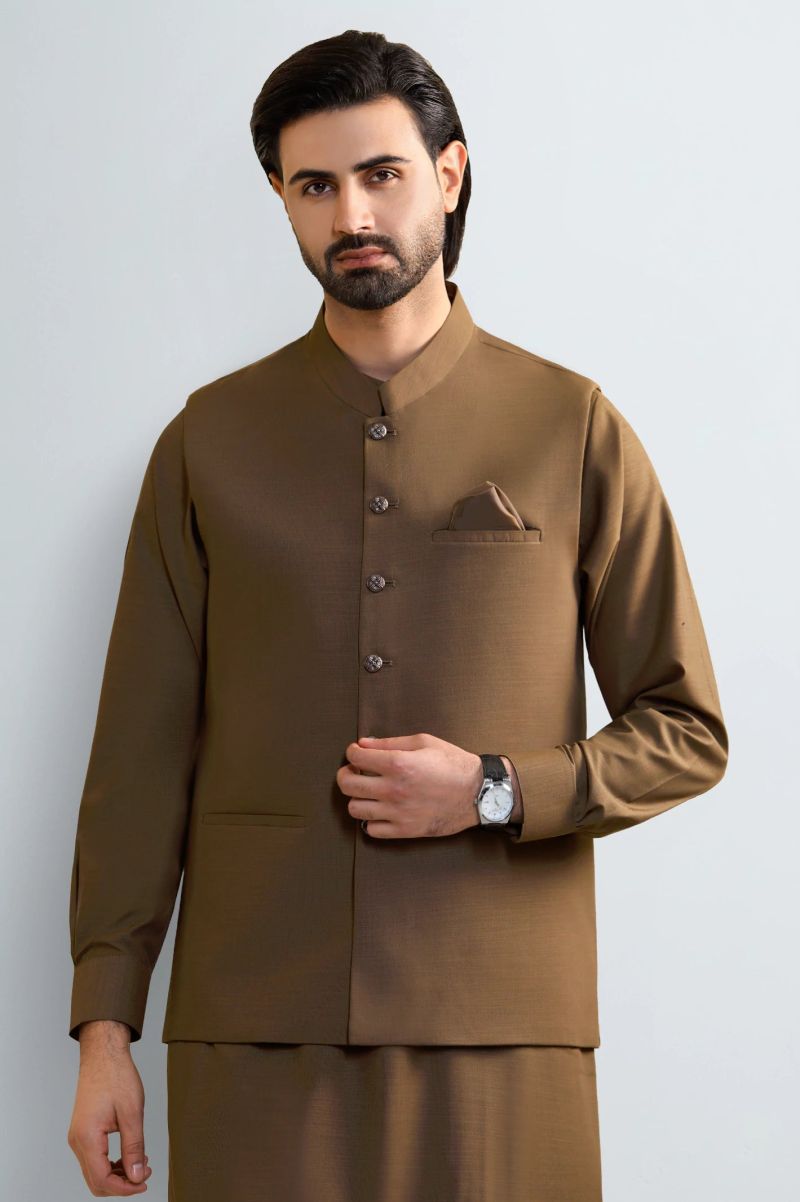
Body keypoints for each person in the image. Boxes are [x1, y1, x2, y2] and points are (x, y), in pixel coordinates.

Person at [66, 28, 728, 1201]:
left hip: (502, 1029)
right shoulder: (207, 443)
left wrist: (492, 787)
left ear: (449, 175)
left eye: (381, 174)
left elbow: (684, 728)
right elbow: (138, 760)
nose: (352, 214)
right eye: (314, 185)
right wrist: (103, 1028)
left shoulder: (569, 424)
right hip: (252, 1030)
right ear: (281, 199)